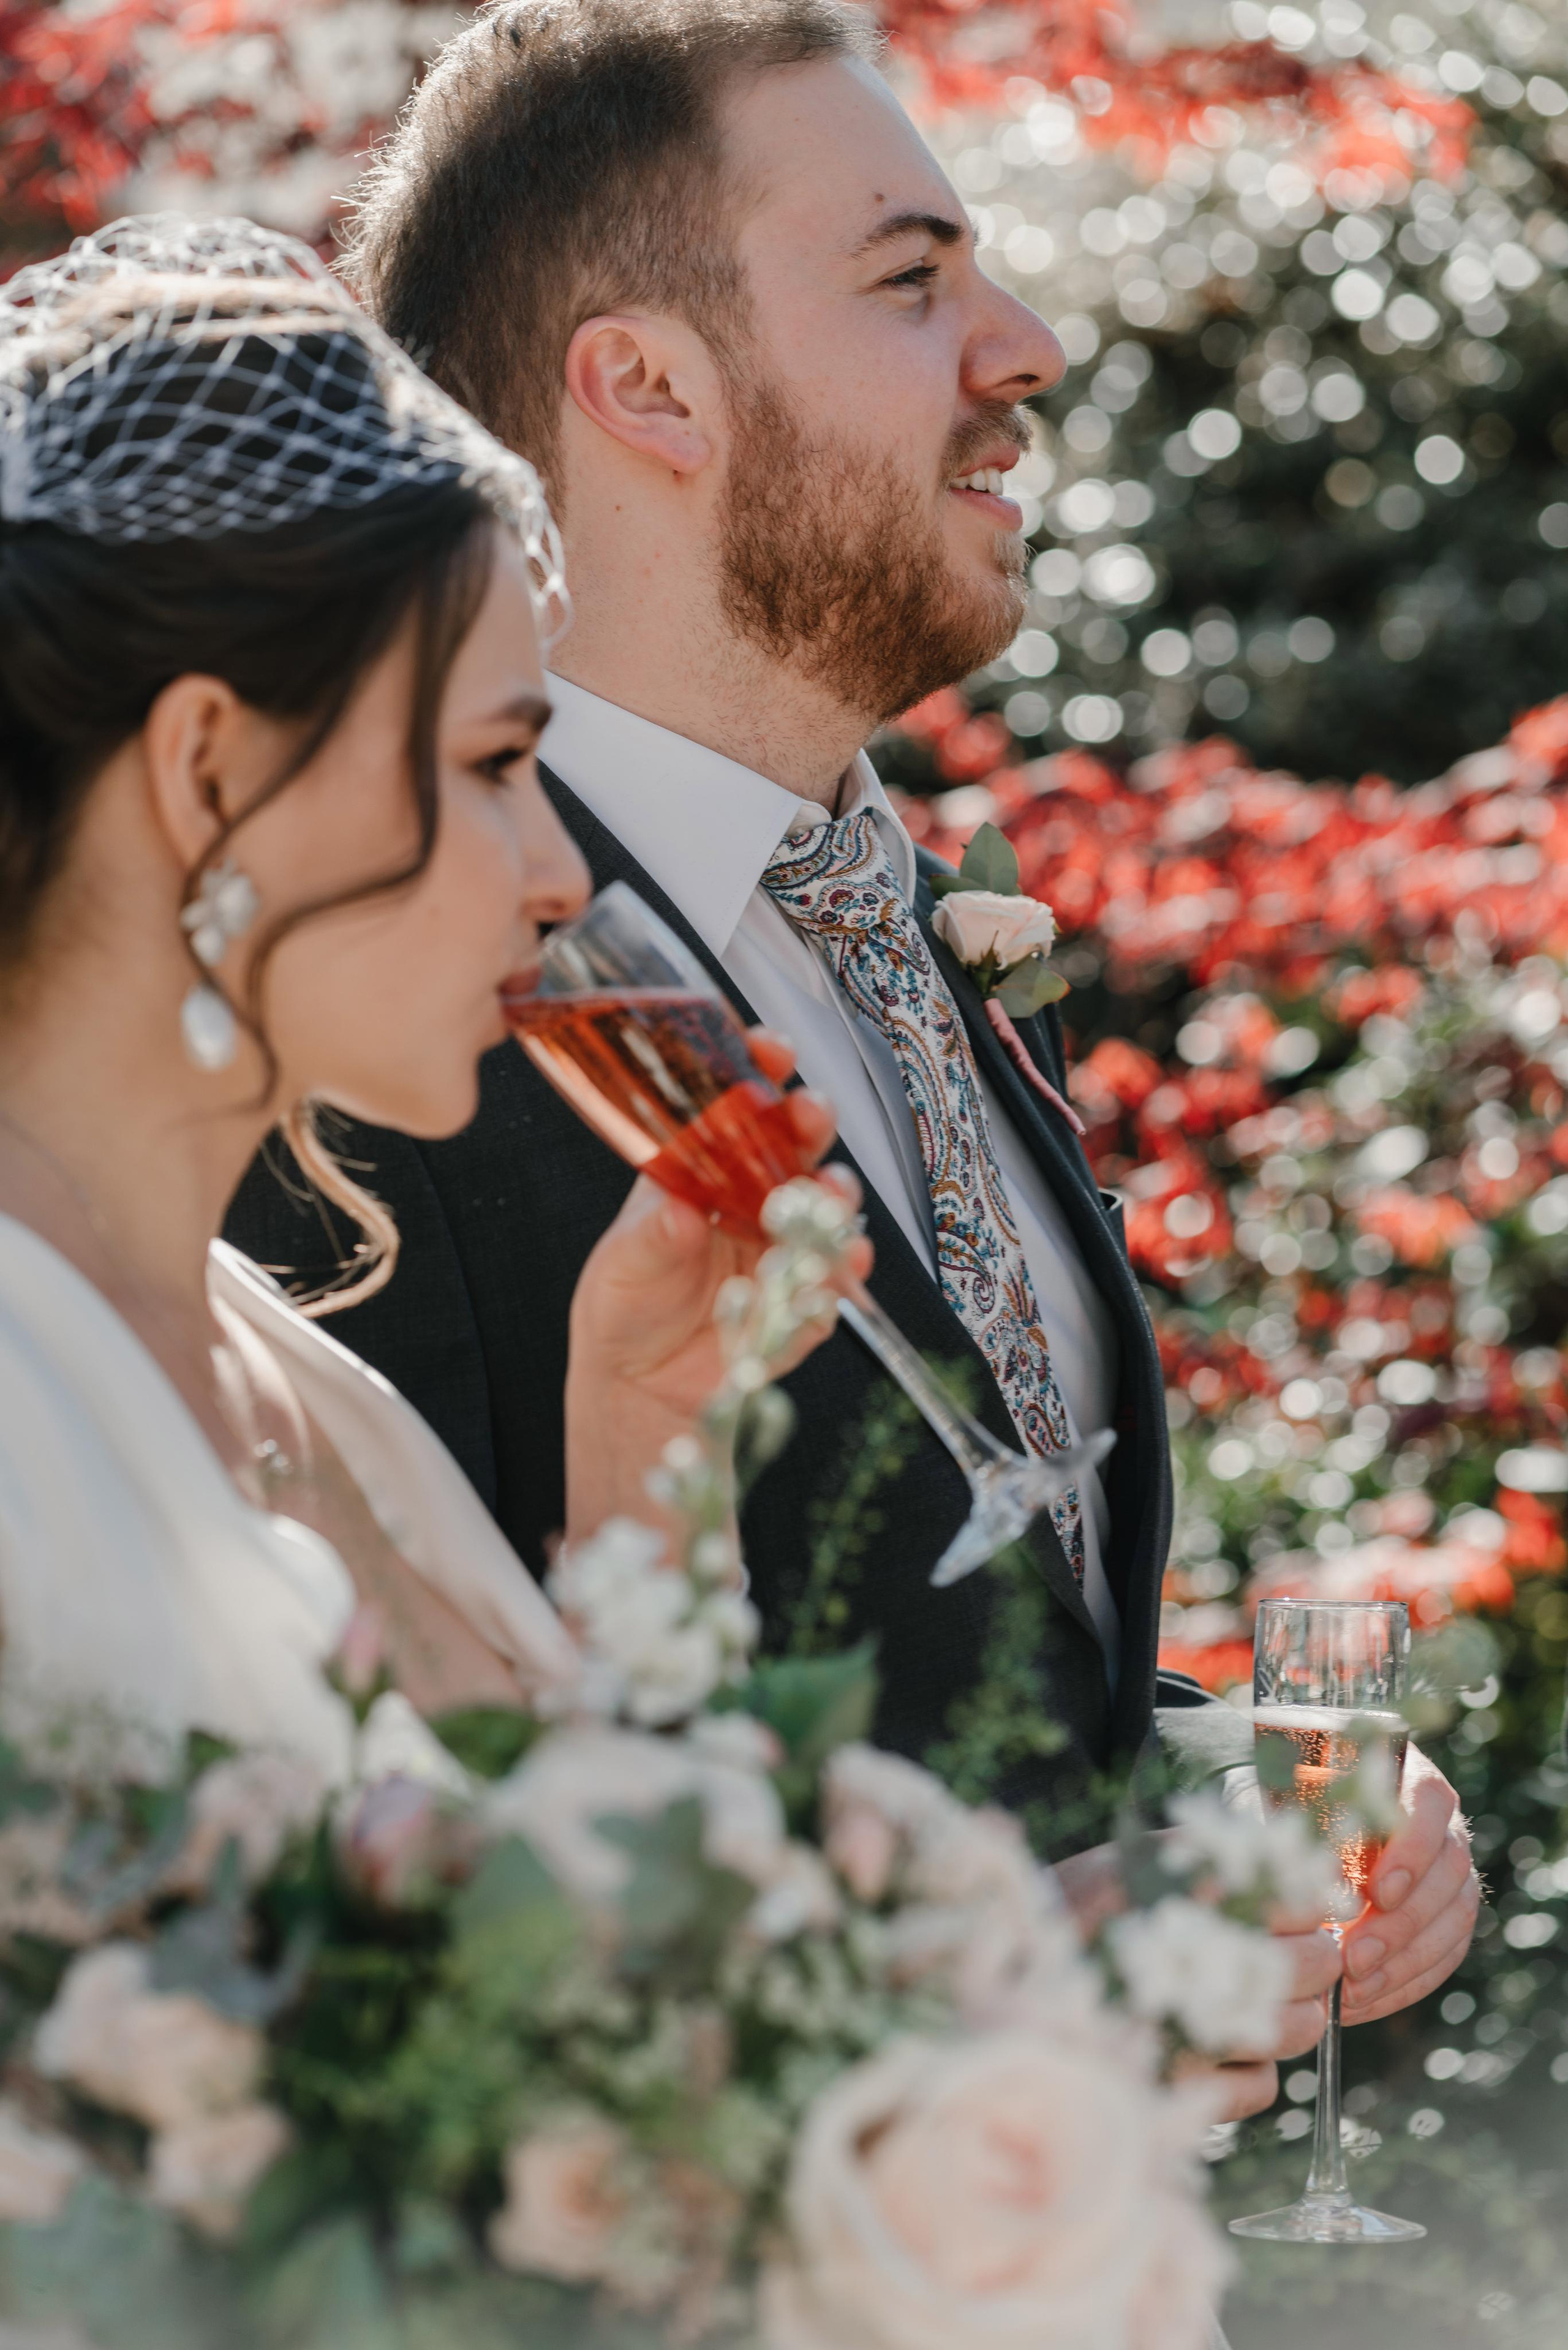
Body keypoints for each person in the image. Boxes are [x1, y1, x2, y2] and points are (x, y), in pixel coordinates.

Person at [223, 0, 1477, 2103]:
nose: (1028, 342)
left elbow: (944, 1659)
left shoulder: (914, 921)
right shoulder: (366, 1028)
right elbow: (371, 1855)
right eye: (914, 280)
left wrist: (1201, 1784)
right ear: (645, 387)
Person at [0, 215, 858, 1785]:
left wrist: (641, 1443)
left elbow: (600, 1946)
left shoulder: (288, 1364)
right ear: (207, 770)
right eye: (489, 764)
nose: (555, 874)